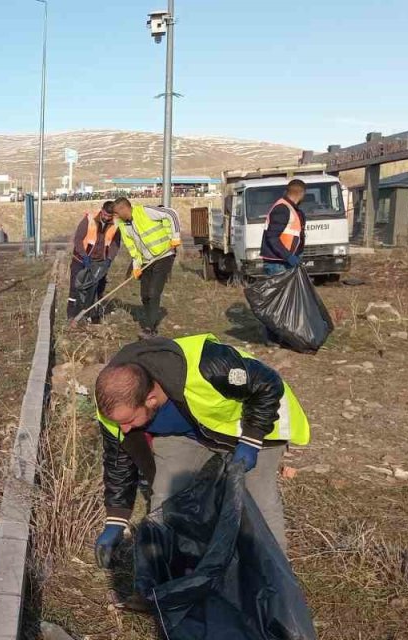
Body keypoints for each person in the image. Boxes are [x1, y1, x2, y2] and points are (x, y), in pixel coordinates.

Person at [90, 334, 310, 570]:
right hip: (187, 431)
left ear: (151, 399)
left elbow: (268, 383)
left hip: (255, 421)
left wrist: (251, 439)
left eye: (129, 421)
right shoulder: (114, 403)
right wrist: (116, 519)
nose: (124, 428)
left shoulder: (210, 366)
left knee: (259, 501)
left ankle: (274, 578)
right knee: (166, 497)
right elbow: (118, 460)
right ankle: (169, 576)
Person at [113, 197, 181, 339]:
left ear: (124, 209)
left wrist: (175, 236)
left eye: (117, 213)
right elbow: (133, 248)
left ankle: (150, 329)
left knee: (153, 293)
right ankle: (151, 321)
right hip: (146, 261)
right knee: (144, 295)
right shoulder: (123, 225)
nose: (116, 216)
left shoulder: (145, 211)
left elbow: (171, 214)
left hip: (163, 255)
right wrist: (136, 266)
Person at [68, 201, 121, 324]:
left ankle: (92, 316)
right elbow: (78, 239)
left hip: (99, 262)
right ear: (102, 210)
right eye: (105, 214)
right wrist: (84, 256)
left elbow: (115, 244)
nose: (106, 218)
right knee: (76, 287)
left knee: (96, 289)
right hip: (81, 259)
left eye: (109, 216)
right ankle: (72, 315)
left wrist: (109, 258)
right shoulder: (89, 219)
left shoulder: (116, 224)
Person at [261, 179, 307, 276]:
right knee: (281, 287)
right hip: (278, 264)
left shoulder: (292, 209)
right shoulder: (282, 209)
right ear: (301, 193)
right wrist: (288, 256)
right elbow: (272, 237)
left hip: (284, 261)